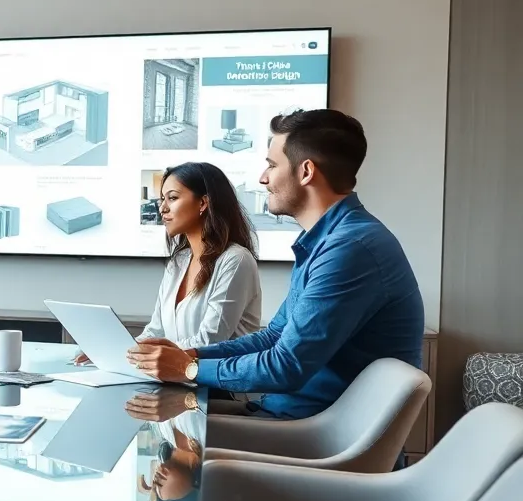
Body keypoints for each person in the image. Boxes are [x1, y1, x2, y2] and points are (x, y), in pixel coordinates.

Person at [128, 109, 424, 420]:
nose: (263, 178)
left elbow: (287, 367)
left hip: (312, 435)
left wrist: (188, 368)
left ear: (306, 171)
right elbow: (273, 338)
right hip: (285, 416)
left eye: (271, 165)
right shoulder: (329, 242)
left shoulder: (349, 249)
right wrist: (190, 355)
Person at [75, 162, 261, 364]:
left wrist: (143, 355)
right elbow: (156, 330)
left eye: (172, 198)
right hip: (175, 380)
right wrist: (113, 352)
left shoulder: (236, 260)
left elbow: (211, 341)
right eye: (162, 199)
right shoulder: (178, 262)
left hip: (220, 388)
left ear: (203, 203)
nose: (162, 208)